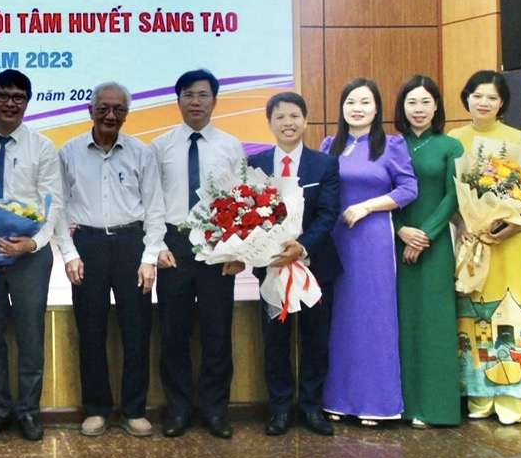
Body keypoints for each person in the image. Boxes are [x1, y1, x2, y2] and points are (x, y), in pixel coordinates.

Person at [57, 82, 165, 438]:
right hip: (87, 244)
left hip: (131, 244)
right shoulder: (69, 152)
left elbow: (155, 209)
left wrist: (149, 257)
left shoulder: (140, 152)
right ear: (90, 111)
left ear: (127, 114)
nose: (110, 115)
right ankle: (96, 409)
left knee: (137, 330)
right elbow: (58, 207)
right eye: (103, 108)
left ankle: (134, 410)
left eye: (118, 109)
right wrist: (69, 253)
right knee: (91, 331)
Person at [0, 70, 63, 442]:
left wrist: (32, 244)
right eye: (3, 95)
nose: (10, 103)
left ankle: (28, 411)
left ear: (27, 101)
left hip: (29, 257)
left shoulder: (43, 147)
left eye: (18, 97)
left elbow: (53, 204)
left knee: (30, 337)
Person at [151, 69, 245, 439]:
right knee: (173, 334)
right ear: (177, 100)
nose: (195, 102)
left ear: (214, 101)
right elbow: (151, 202)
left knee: (217, 333)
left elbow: (242, 201)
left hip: (218, 246)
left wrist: (237, 250)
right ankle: (178, 410)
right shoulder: (160, 146)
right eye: (188, 95)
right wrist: (157, 247)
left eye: (203, 95)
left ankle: (215, 411)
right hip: (174, 245)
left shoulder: (231, 146)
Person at [319, 78, 417, 426]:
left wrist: (367, 206)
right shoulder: (330, 145)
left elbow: (409, 188)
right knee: (339, 319)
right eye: (350, 102)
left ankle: (377, 403)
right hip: (335, 239)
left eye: (364, 102)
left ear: (377, 109)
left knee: (373, 317)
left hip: (372, 240)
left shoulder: (391, 145)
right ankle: (337, 400)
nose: (357, 108)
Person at [449, 70, 521, 424]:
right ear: (466, 98)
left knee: (510, 314)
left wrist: (506, 227)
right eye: (477, 95)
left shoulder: (517, 138)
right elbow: (449, 193)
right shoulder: (454, 139)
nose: (483, 103)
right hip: (472, 241)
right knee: (474, 313)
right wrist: (464, 224)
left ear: (502, 103)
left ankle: (511, 401)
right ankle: (479, 398)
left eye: (491, 97)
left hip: (509, 243)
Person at [249, 92, 341, 437]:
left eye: (294, 116)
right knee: (276, 342)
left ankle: (312, 408)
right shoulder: (255, 164)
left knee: (315, 340)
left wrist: (301, 247)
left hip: (315, 265)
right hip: (272, 266)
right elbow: (248, 215)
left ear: (305, 120)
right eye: (280, 117)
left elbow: (328, 213)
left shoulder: (325, 164)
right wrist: (270, 249)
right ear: (270, 123)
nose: (288, 123)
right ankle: (280, 409)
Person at [394, 76, 464, 428]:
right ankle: (404, 406)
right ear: (401, 107)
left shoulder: (451, 146)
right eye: (411, 102)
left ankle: (438, 408)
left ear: (436, 106)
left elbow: (454, 196)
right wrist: (400, 229)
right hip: (394, 243)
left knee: (436, 324)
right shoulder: (391, 145)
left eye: (425, 102)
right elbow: (380, 191)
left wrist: (424, 235)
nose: (418, 109)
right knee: (403, 323)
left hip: (435, 245)